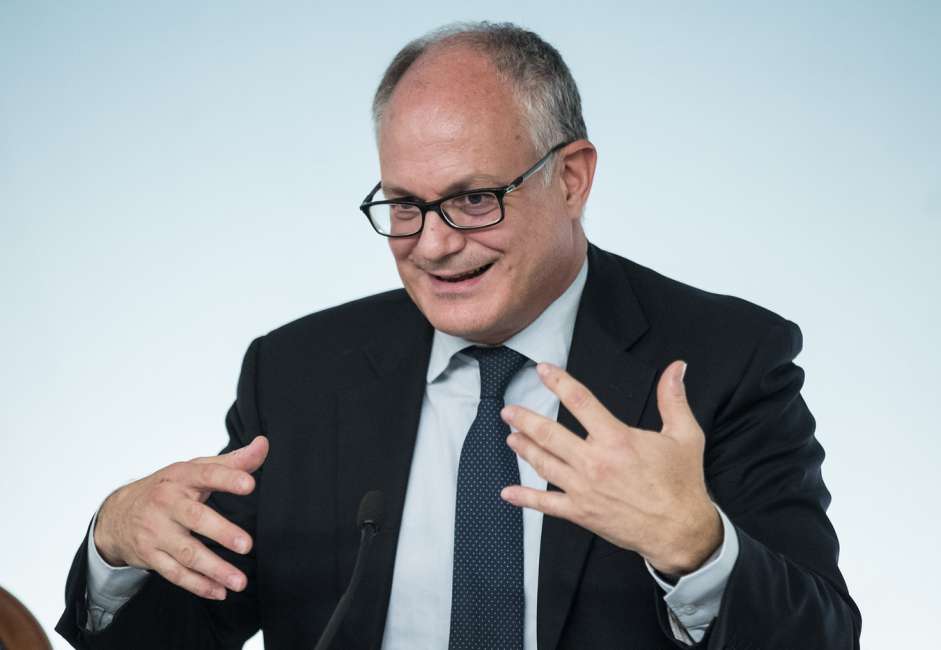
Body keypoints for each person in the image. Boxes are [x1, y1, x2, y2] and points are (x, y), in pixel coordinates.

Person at [56, 21, 861, 649]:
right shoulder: (299, 373)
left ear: (570, 178)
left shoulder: (724, 358)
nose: (434, 244)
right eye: (405, 204)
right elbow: (181, 634)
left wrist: (696, 548)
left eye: (474, 199)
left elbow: (822, 639)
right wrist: (113, 546)